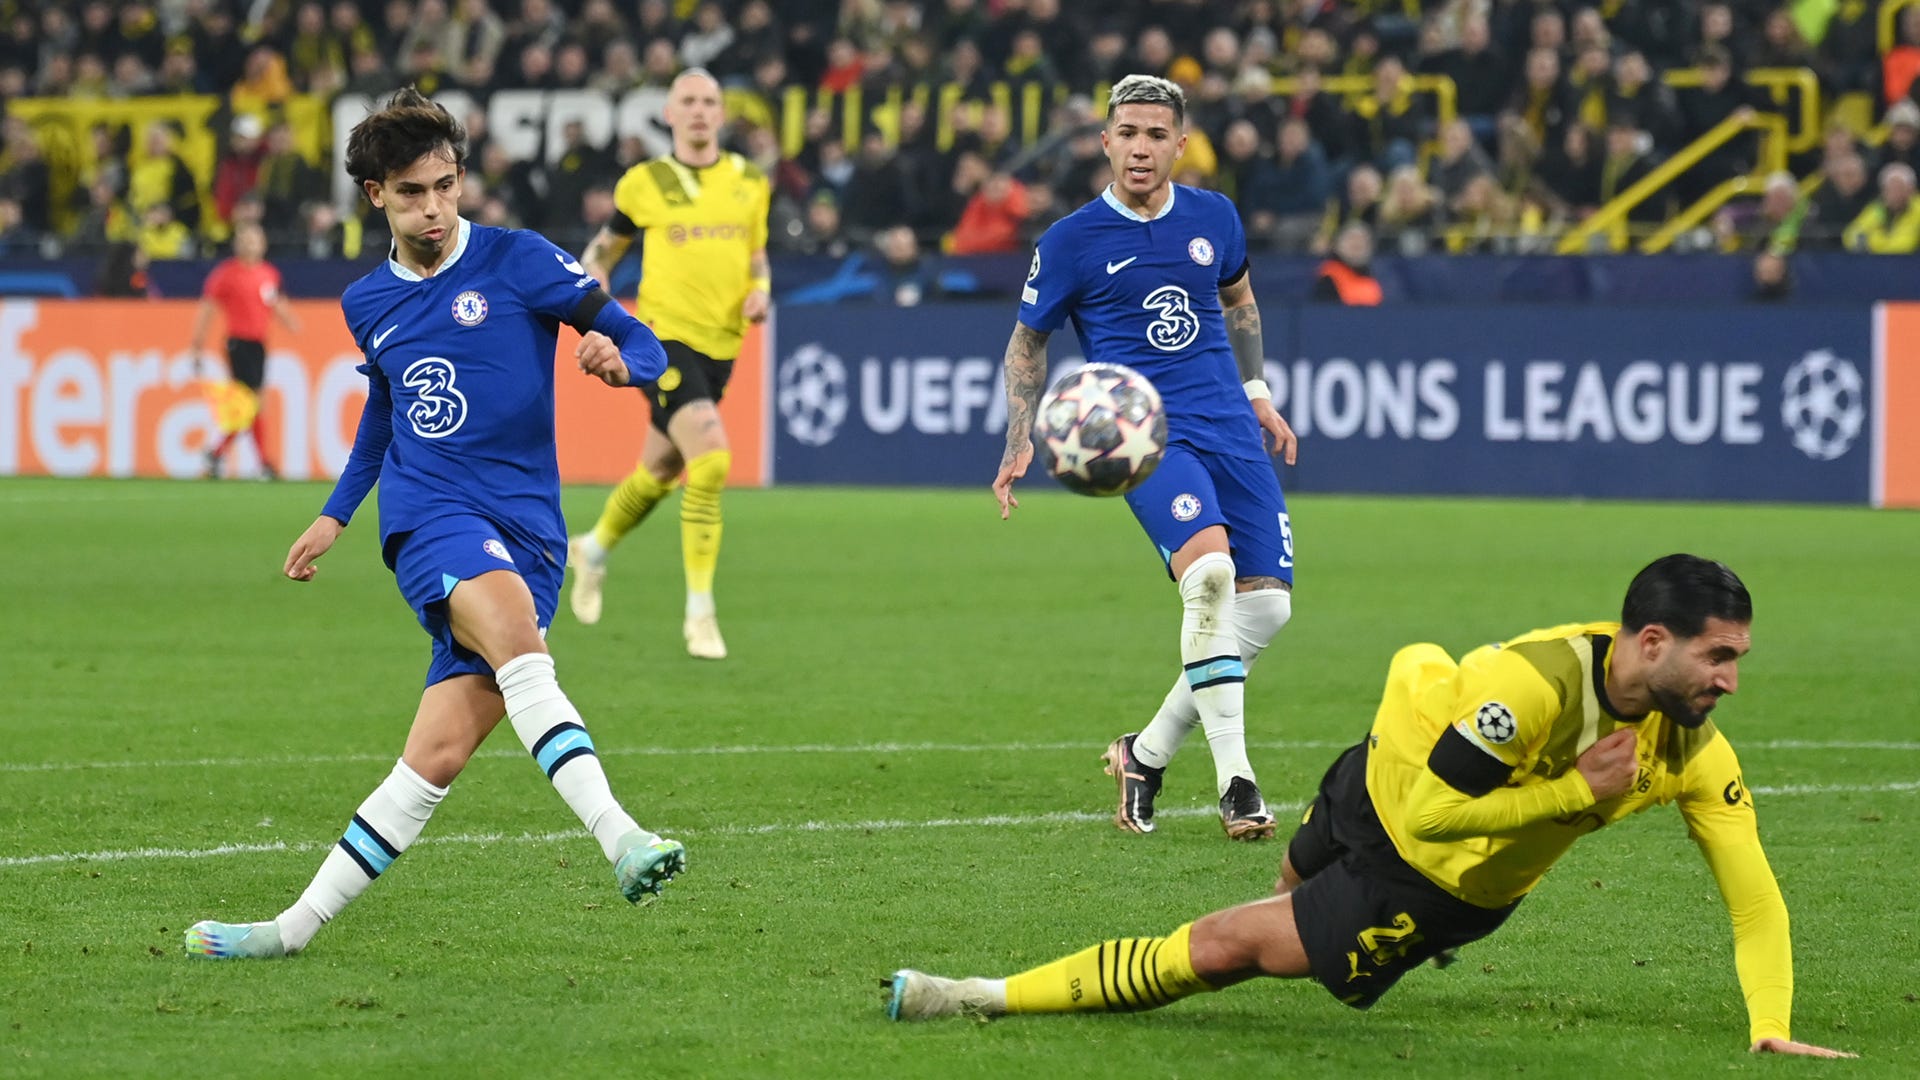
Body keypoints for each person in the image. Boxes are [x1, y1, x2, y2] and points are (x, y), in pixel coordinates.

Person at [885, 555, 1857, 1061]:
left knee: (1225, 948)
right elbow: (1436, 806)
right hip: (1382, 781)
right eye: (1718, 657)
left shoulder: (1690, 751)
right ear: (1651, 642)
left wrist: (1768, 1020)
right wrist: (1573, 791)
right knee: (1293, 884)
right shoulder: (1534, 689)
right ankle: (1309, 913)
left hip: (1432, 886)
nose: (1730, 680)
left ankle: (974, 995)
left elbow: (1754, 895)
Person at [184, 88, 684, 960]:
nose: (435, 207)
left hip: (530, 532)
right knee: (526, 659)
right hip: (431, 519)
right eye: (413, 192)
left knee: (437, 758)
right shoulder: (368, 301)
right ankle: (622, 837)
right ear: (376, 194)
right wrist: (340, 513)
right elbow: (385, 420)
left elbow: (642, 341)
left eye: (447, 185)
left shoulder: (520, 259)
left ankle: (288, 931)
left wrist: (619, 363)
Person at [993, 75, 1300, 842]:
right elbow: (1028, 344)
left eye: (1155, 134)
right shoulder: (1070, 240)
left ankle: (1146, 753)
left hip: (1228, 420)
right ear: (1104, 141)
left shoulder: (1214, 217)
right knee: (1211, 576)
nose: (1140, 147)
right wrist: (1018, 437)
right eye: (1126, 132)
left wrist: (1258, 391)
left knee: (1266, 606)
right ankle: (1238, 784)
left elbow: (1240, 302)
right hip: (1142, 436)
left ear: (1179, 145)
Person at [567, 67, 772, 660]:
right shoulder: (645, 182)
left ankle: (594, 548)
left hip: (723, 347)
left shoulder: (750, 181)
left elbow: (757, 257)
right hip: (662, 342)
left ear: (721, 112)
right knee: (710, 460)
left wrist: (761, 289)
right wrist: (599, 307)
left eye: (711, 100)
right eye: (689, 101)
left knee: (659, 470)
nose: (702, 110)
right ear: (670, 113)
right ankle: (700, 614)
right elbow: (599, 254)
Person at [189, 222, 301, 480]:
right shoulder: (226, 274)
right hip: (238, 343)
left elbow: (274, 301)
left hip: (259, 344)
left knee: (248, 405)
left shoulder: (268, 273)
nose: (251, 244)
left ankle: (217, 453)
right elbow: (207, 309)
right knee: (252, 403)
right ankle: (261, 463)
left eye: (255, 239)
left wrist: (290, 320)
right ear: (237, 244)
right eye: (246, 239)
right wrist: (197, 344)